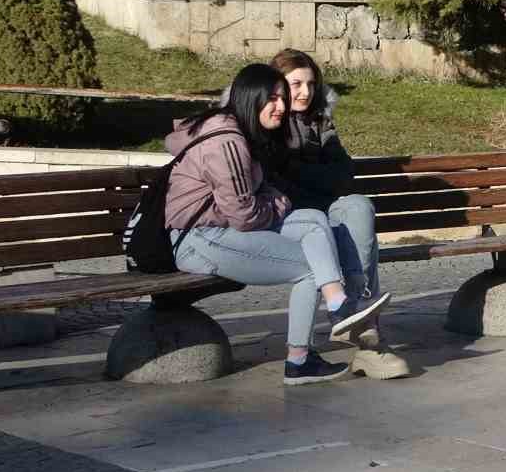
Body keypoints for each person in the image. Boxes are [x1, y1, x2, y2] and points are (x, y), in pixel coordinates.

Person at [166, 63, 391, 386]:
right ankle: (303, 355)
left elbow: (261, 195)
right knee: (309, 267)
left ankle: (339, 302)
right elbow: (244, 215)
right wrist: (280, 202)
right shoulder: (227, 141)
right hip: (199, 240)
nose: (282, 107)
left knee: (313, 221)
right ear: (249, 98)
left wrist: (274, 200)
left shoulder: (247, 134)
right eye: (273, 98)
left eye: (282, 98)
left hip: (223, 230)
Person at [269, 48, 408, 380]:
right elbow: (281, 183)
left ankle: (357, 309)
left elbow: (345, 174)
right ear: (276, 86)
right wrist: (318, 179)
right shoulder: (268, 120)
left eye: (311, 84)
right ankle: (363, 332)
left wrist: (304, 174)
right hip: (290, 218)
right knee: (331, 231)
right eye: (296, 84)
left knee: (358, 207)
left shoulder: (320, 120)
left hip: (324, 208)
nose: (305, 92)